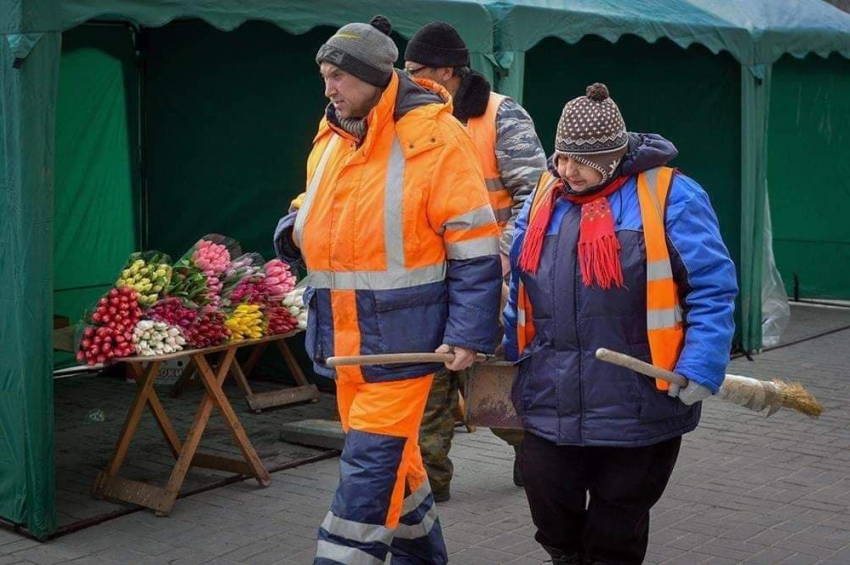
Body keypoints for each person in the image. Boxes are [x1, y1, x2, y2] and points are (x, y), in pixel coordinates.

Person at [274, 16, 502, 565]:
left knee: (368, 469)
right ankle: (422, 555)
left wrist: (468, 335)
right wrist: (295, 231)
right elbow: (319, 207)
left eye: (338, 77)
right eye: (324, 76)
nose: (328, 89)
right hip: (346, 343)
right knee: (395, 462)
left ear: (375, 78)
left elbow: (474, 245)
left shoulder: (434, 137)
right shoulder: (332, 134)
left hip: (404, 343)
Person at [502, 83, 738, 565]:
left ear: (613, 157)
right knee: (551, 511)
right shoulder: (546, 195)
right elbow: (519, 287)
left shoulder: (672, 195)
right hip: (550, 393)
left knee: (616, 529)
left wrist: (701, 365)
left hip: (640, 401)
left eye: (580, 161)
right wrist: (500, 348)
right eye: (561, 157)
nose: (565, 171)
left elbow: (712, 287)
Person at [403, 21, 546, 500]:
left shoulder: (501, 116)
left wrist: (497, 261)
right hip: (429, 277)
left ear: (448, 71)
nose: (407, 77)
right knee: (431, 385)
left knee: (490, 382)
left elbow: (535, 196)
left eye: (416, 69)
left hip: (487, 279)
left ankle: (534, 454)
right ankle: (429, 483)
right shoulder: (411, 116)